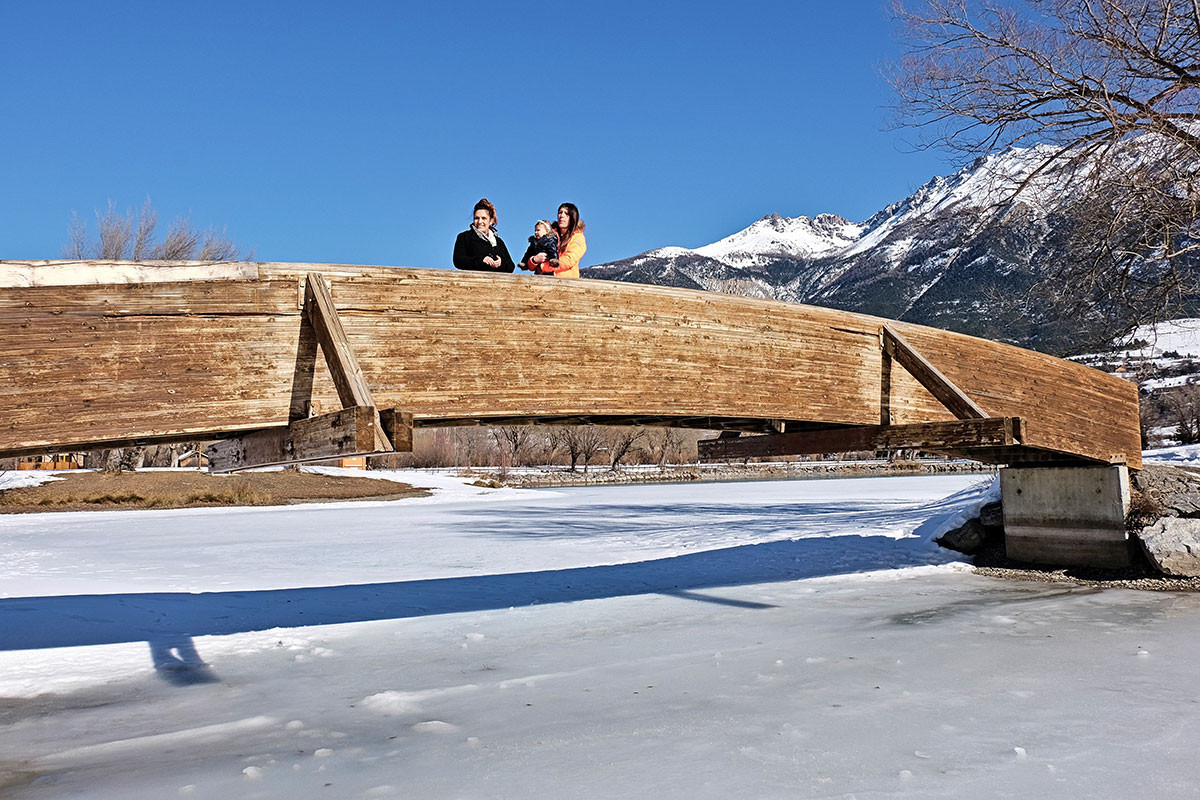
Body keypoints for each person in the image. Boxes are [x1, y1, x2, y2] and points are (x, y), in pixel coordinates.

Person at [453, 198, 515, 272]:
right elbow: (458, 261)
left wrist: (501, 263)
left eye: (484, 218)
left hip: (496, 279)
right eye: (476, 218)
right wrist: (481, 260)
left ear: (491, 221)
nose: (480, 221)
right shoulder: (464, 237)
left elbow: (511, 266)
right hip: (474, 279)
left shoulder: (499, 242)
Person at [525, 203, 585, 278]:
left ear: (573, 217)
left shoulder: (578, 237)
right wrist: (534, 260)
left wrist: (543, 267)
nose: (562, 215)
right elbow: (530, 263)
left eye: (566, 213)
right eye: (560, 212)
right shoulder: (548, 235)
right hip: (542, 280)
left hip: (565, 281)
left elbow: (569, 260)